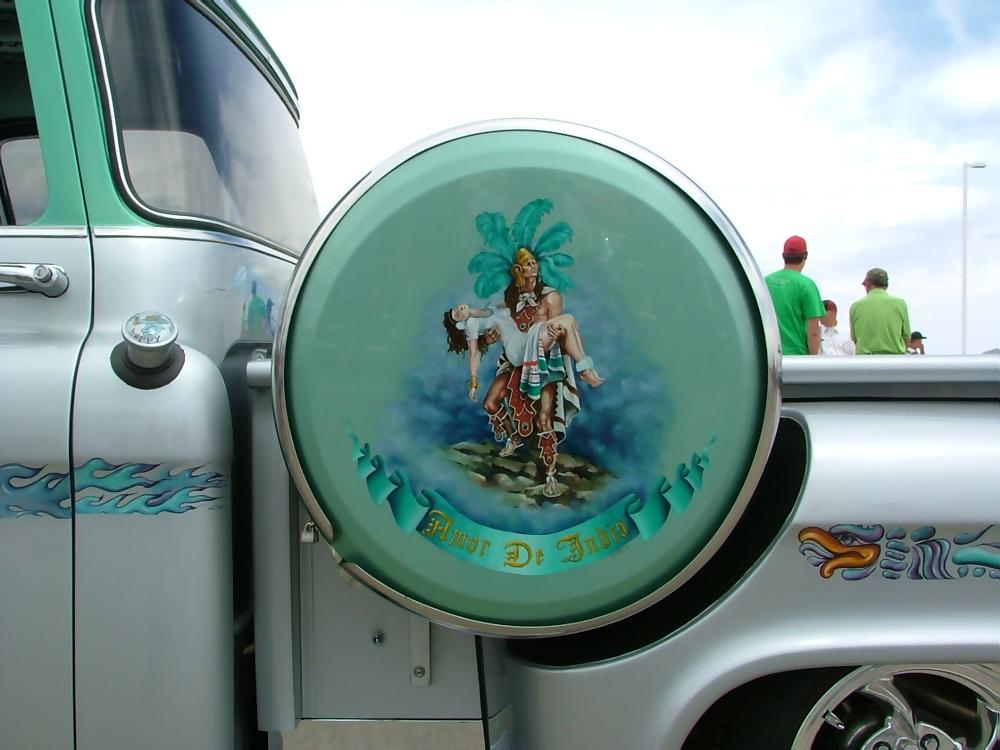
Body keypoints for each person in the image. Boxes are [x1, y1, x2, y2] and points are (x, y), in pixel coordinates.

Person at [444, 248, 603, 497]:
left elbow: (544, 325)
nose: (533, 266)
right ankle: (515, 437)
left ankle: (550, 475)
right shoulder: (487, 314)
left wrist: (553, 334)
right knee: (491, 402)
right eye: (457, 313)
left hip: (539, 353)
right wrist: (474, 378)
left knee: (544, 417)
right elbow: (479, 347)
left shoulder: (537, 299)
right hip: (518, 354)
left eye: (533, 262)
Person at [764, 235, 825, 355]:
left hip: (769, 356)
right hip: (796, 358)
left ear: (783, 256)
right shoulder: (807, 285)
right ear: (805, 256)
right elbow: (813, 332)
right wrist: (813, 359)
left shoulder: (764, 282)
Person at [849, 268, 911, 355]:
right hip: (894, 359)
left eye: (864, 284)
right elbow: (907, 336)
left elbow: (854, 338)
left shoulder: (856, 306)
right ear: (886, 285)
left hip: (865, 360)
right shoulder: (900, 304)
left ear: (868, 283)